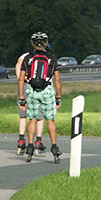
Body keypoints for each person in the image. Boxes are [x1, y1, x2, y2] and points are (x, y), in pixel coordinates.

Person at [18, 32, 63, 163]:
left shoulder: (28, 58)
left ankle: (30, 146)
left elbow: (21, 78)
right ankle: (54, 148)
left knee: (32, 118)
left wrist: (22, 96)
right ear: (46, 43)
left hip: (32, 90)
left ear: (32, 43)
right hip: (47, 90)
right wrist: (58, 96)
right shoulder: (51, 58)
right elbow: (58, 79)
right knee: (50, 120)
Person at [14, 52, 45, 156]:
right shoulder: (46, 56)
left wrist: (21, 81)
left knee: (23, 115)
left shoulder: (25, 56)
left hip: (25, 85)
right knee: (40, 116)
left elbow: (18, 65)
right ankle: (38, 141)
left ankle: (21, 140)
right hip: (39, 87)